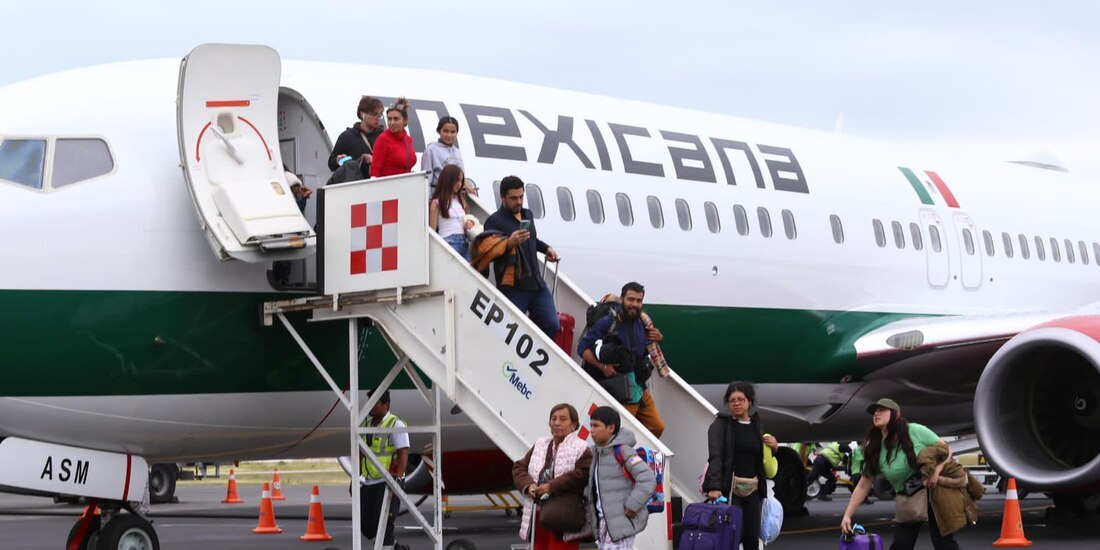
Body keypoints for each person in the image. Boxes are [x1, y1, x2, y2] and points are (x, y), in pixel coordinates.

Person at [840, 398, 959, 550]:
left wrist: (937, 471)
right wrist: (847, 515)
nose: (877, 414)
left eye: (882, 410)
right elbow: (863, 485)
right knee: (901, 545)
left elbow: (947, 450)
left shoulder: (915, 430)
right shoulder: (875, 447)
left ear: (895, 414)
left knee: (944, 544)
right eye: (875, 411)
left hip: (935, 492)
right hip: (909, 497)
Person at [579, 283, 666, 437]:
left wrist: (658, 339)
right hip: (619, 387)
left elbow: (639, 352)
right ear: (622, 299)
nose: (635, 304)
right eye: (631, 299)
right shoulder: (607, 322)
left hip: (638, 385)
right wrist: (603, 367)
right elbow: (582, 349)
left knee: (657, 427)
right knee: (622, 432)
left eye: (639, 301)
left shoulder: (641, 323)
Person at [703, 381, 779, 550]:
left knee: (752, 539)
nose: (736, 403)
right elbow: (715, 457)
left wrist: (774, 447)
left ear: (749, 401)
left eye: (741, 399)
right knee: (731, 538)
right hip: (731, 490)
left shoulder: (756, 425)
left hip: (752, 490)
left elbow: (761, 459)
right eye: (732, 400)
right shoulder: (721, 425)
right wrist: (715, 486)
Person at [483, 175, 561, 337]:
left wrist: (546, 248)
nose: (518, 202)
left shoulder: (528, 214)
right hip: (514, 288)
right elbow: (487, 252)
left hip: (536, 284)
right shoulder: (494, 221)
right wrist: (509, 243)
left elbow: (531, 239)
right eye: (513, 198)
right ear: (502, 197)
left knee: (553, 325)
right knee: (510, 334)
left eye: (521, 197)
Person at [512, 404, 593, 549]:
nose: (556, 423)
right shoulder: (540, 444)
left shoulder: (581, 447)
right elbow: (519, 468)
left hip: (564, 514)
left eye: (562, 419)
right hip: (538, 514)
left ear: (573, 424)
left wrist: (551, 486)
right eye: (553, 419)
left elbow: (583, 474)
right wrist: (529, 485)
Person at [587, 406, 656, 549]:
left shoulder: (623, 451)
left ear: (611, 428)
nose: (591, 430)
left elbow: (647, 479)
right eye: (591, 425)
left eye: (596, 425)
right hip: (605, 523)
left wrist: (632, 506)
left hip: (621, 524)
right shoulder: (597, 453)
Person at [360, 390, 410, 550]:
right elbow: (361, 453)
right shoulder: (365, 424)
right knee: (366, 526)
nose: (370, 407)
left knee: (385, 523)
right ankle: (395, 548)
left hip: (387, 482)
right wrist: (354, 478)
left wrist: (399, 480)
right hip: (368, 483)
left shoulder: (396, 424)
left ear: (385, 405)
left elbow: (403, 452)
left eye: (374, 403)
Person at [328, 96, 384, 179]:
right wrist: (337, 160)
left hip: (381, 184)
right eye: (374, 114)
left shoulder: (383, 136)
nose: (378, 118)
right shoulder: (347, 137)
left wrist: (374, 160)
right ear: (362, 114)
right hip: (356, 186)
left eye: (380, 115)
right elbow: (331, 164)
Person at [429, 165, 474, 260]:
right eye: (456, 180)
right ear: (448, 180)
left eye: (461, 181)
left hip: (464, 241)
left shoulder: (460, 200)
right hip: (449, 241)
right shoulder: (437, 202)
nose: (459, 184)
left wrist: (468, 224)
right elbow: (432, 231)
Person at [370, 98, 417, 178]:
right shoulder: (383, 139)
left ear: (405, 120)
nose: (392, 123)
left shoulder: (408, 139)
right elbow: (375, 170)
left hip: (406, 185)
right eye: (389, 119)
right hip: (388, 187)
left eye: (396, 119)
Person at [421, 116, 467, 193]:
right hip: (439, 197)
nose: (449, 135)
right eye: (445, 131)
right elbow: (426, 179)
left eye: (453, 132)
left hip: (456, 198)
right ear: (439, 131)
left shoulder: (457, 152)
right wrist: (428, 200)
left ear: (457, 133)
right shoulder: (431, 150)